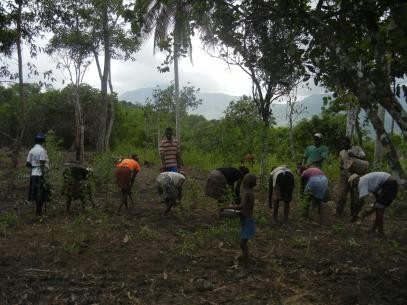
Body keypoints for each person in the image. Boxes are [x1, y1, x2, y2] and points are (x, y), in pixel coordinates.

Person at [224, 173, 257, 272]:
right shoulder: (250, 192)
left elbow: (240, 206)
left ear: (245, 182)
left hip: (247, 222)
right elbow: (244, 207)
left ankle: (246, 267)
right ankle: (245, 258)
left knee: (243, 244)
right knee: (243, 244)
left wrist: (226, 207)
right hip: (247, 220)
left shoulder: (248, 193)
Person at [336, 137, 368, 216]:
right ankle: (339, 212)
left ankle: (353, 214)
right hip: (344, 175)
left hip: (355, 175)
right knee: (341, 195)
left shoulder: (357, 148)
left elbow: (364, 157)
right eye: (342, 143)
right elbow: (341, 164)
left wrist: (355, 155)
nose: (343, 145)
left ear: (349, 142)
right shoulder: (342, 152)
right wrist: (341, 167)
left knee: (354, 195)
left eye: (344, 143)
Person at [26, 132, 50, 216]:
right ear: (42, 141)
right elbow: (42, 163)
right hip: (41, 175)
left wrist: (34, 166)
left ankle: (38, 211)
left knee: (36, 194)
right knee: (42, 194)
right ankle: (39, 212)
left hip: (33, 174)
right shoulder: (43, 150)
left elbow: (28, 163)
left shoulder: (31, 150)